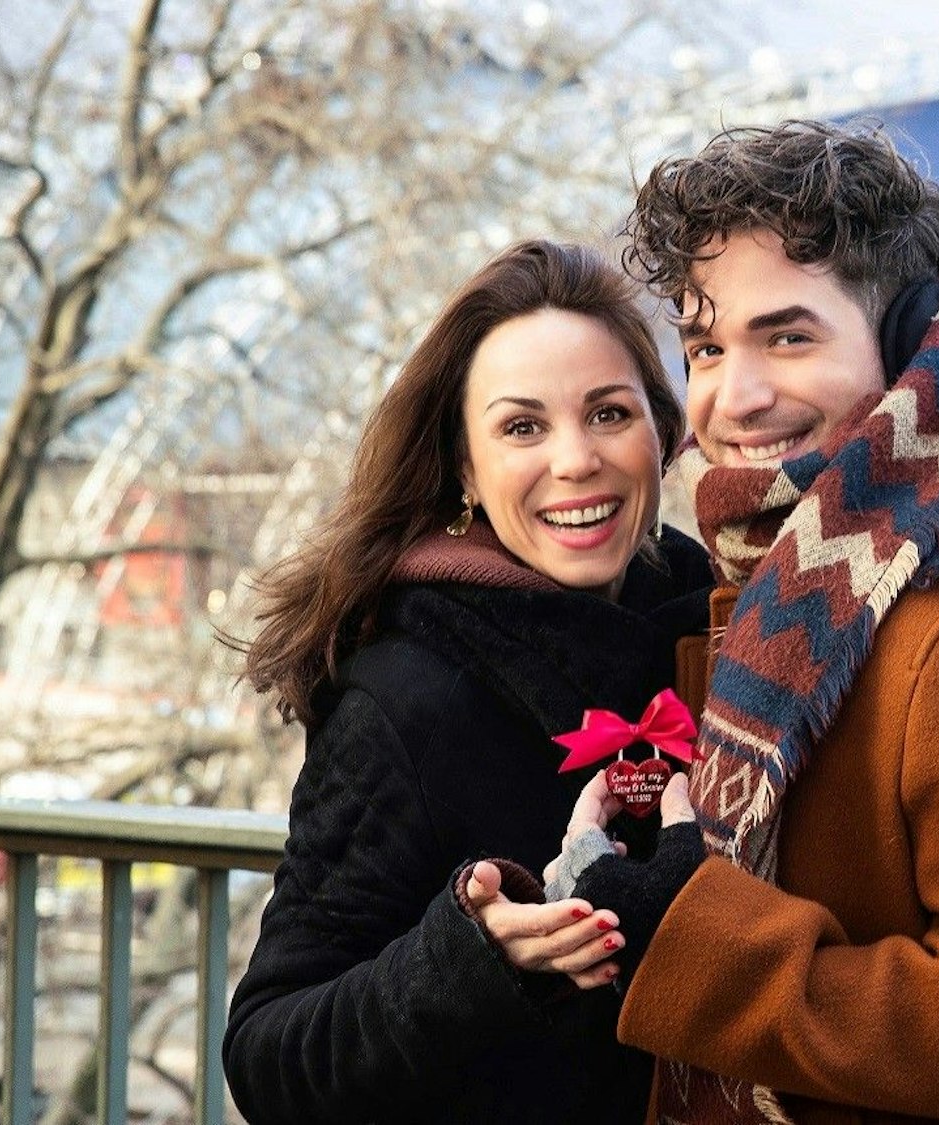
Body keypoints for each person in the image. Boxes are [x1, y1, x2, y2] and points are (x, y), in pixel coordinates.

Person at [561, 120, 939, 1123]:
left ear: (905, 341)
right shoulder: (813, 570)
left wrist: (697, 939)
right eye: (705, 346)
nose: (732, 396)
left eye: (786, 337)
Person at [221, 240, 715, 1124]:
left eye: (608, 413)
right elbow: (268, 1053)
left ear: (662, 433)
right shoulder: (406, 696)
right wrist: (472, 957)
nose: (575, 460)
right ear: (464, 469)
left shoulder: (726, 632)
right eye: (523, 427)